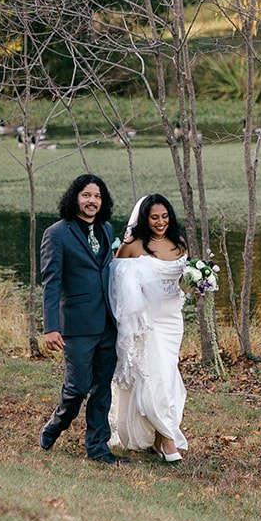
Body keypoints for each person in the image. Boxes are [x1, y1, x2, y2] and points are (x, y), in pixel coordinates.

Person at [38, 173, 121, 464]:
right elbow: (51, 282)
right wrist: (50, 327)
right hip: (76, 324)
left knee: (102, 389)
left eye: (97, 196)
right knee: (78, 387)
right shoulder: (57, 233)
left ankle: (98, 448)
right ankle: (57, 424)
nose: (92, 201)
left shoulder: (107, 230)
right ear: (75, 197)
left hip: (108, 323)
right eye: (86, 195)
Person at [108, 194, 191, 462]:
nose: (160, 222)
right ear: (145, 218)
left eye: (165, 216)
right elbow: (118, 286)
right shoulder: (132, 246)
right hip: (148, 323)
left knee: (167, 377)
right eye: (155, 217)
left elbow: (180, 284)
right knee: (156, 378)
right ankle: (168, 440)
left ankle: (158, 438)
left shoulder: (178, 244)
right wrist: (133, 321)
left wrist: (197, 284)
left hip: (172, 322)